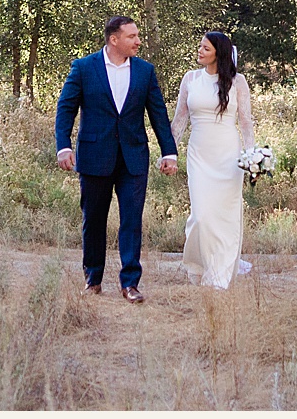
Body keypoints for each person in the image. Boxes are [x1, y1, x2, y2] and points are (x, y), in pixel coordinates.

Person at [53, 15, 177, 303]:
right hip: (95, 156)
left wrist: (168, 152)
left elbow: (158, 113)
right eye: (132, 36)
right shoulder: (84, 68)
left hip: (133, 158)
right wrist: (63, 146)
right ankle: (93, 280)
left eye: (137, 36)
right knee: (93, 220)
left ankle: (130, 283)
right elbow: (65, 109)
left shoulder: (145, 71)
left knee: (131, 220)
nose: (138, 41)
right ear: (114, 39)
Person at [174, 29, 256, 289]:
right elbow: (179, 120)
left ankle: (218, 274)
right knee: (202, 215)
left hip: (228, 157)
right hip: (199, 155)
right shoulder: (190, 79)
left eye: (205, 48)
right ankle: (200, 263)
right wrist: (169, 151)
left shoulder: (238, 81)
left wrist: (251, 155)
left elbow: (245, 121)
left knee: (225, 216)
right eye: (200, 46)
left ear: (218, 53)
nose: (199, 51)